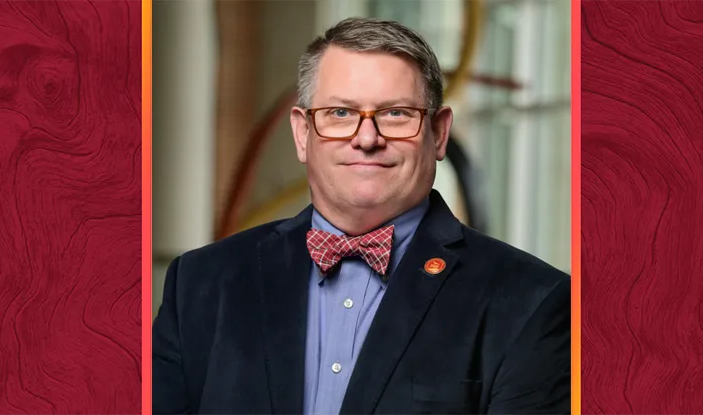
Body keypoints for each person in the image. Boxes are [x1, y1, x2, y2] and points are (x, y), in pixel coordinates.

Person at [153, 17, 570, 414]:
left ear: (439, 134)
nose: (366, 138)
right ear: (303, 134)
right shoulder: (201, 282)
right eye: (340, 114)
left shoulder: (533, 301)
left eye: (395, 114)